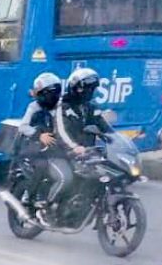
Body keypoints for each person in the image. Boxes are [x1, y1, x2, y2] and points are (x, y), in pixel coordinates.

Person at [52, 66, 112, 206]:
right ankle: (48, 207)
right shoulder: (63, 106)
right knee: (66, 179)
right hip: (61, 153)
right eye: (86, 89)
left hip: (85, 154)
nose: (88, 92)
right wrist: (75, 147)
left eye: (91, 89)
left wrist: (115, 139)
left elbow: (103, 126)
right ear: (75, 88)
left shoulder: (89, 107)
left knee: (103, 175)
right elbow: (61, 132)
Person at [15, 72, 63, 207]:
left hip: (55, 147)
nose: (53, 96)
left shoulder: (60, 106)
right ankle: (28, 196)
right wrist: (39, 135)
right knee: (42, 165)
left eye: (55, 92)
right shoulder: (34, 107)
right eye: (49, 93)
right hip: (35, 147)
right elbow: (23, 127)